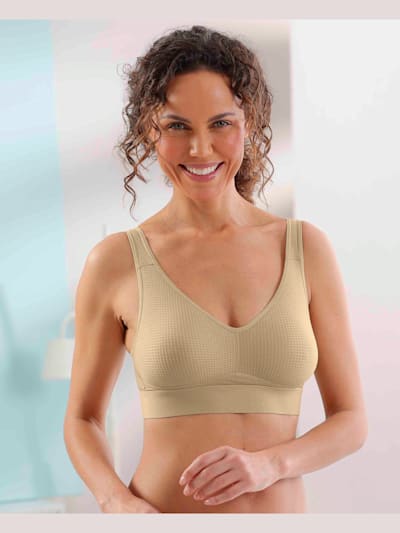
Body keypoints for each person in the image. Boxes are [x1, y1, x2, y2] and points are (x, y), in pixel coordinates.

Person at [63, 25, 368, 513]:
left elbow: (350, 420)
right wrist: (117, 502)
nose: (200, 149)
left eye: (220, 123)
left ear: (249, 123)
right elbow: (83, 419)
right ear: (149, 130)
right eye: (177, 126)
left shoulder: (305, 249)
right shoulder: (116, 261)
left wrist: (270, 464)